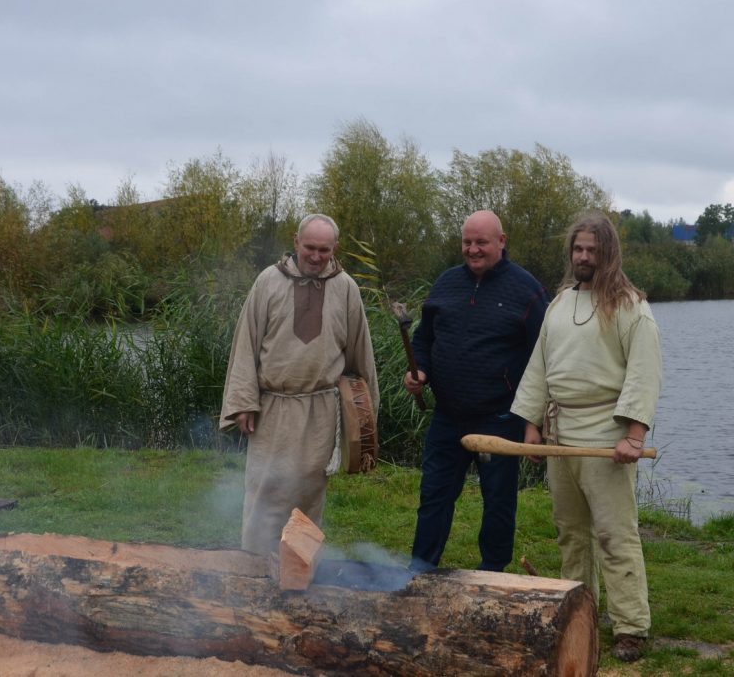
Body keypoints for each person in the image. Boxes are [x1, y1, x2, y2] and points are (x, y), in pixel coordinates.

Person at [510, 210, 662, 663]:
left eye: (592, 251)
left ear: (608, 253)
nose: (583, 257)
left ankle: (632, 625)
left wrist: (633, 435)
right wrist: (532, 425)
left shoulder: (631, 305)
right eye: (578, 249)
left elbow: (644, 372)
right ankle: (580, 611)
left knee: (615, 535)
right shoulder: (559, 305)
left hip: (605, 435)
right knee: (570, 534)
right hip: (561, 433)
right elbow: (540, 365)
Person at [220, 213, 379, 558]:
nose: (316, 256)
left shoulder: (346, 288)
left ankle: (299, 570)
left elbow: (360, 353)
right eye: (309, 247)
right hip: (273, 409)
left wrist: (366, 422)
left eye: (324, 249)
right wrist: (244, 401)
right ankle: (255, 568)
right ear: (296, 242)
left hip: (321, 411)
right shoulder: (268, 282)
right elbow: (246, 343)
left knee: (308, 495)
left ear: (334, 248)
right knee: (266, 490)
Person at [404, 210, 549, 572]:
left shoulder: (527, 290)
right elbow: (423, 339)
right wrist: (419, 369)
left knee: (498, 500)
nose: (473, 249)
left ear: (502, 241)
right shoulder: (446, 284)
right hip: (448, 416)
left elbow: (543, 356)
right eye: (467, 242)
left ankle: (494, 573)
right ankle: (421, 570)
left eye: (481, 242)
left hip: (499, 418)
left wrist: (536, 418)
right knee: (434, 496)